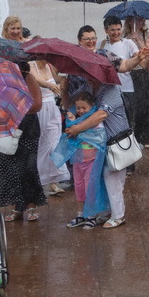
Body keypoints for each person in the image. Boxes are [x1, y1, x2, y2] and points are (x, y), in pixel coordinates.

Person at [61, 74, 139, 229]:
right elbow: (73, 105)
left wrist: (77, 128)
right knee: (101, 180)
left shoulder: (111, 89)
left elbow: (102, 114)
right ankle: (106, 212)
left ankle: (118, 216)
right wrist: (64, 90)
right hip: (99, 145)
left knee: (113, 179)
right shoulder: (87, 87)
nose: (89, 77)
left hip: (115, 142)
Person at [0, 59, 44, 222]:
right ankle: (17, 207)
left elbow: (36, 105)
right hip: (5, 128)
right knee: (7, 169)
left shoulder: (27, 77)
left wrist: (12, 106)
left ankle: (31, 205)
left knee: (27, 168)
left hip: (27, 129)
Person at [53, 91, 109, 228]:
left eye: (84, 108)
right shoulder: (76, 123)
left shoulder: (94, 124)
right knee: (79, 188)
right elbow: (70, 135)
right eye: (78, 108)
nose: (81, 111)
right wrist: (71, 121)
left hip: (92, 162)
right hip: (78, 162)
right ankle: (80, 215)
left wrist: (77, 129)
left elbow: (99, 139)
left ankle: (91, 216)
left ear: (92, 106)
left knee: (91, 188)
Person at [29, 57, 69, 197]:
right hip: (39, 109)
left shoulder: (50, 66)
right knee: (40, 145)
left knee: (53, 144)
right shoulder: (31, 65)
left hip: (52, 108)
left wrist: (63, 82)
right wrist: (50, 86)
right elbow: (37, 80)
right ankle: (37, 180)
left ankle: (53, 181)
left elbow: (58, 81)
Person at [122, 16, 149, 147]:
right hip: (130, 73)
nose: (137, 23)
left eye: (140, 20)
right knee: (133, 105)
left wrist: (138, 39)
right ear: (129, 21)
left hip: (143, 72)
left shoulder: (145, 35)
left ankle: (147, 137)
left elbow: (148, 51)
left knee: (146, 105)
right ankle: (133, 134)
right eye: (134, 20)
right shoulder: (124, 36)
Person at [101, 15, 141, 138]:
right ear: (106, 30)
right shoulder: (101, 45)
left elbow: (139, 59)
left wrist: (144, 53)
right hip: (107, 90)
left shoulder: (128, 43)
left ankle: (129, 147)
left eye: (118, 29)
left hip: (126, 89)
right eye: (112, 30)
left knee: (128, 120)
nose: (116, 32)